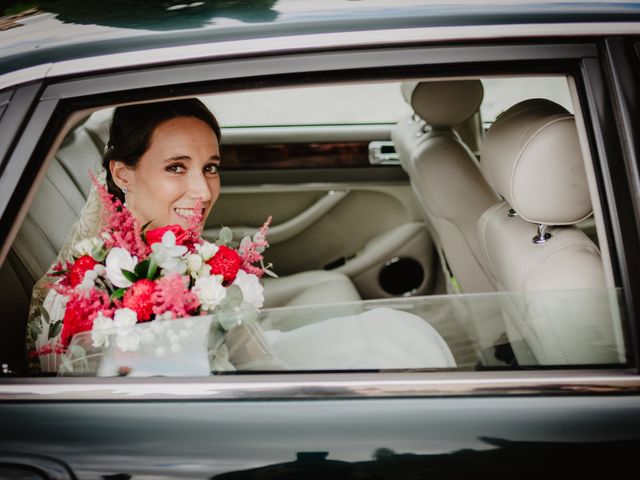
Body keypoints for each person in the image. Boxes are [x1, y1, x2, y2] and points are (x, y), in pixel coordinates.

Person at [27, 99, 455, 374]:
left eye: (210, 167)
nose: (203, 190)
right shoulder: (95, 295)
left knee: (396, 336)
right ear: (122, 174)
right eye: (177, 167)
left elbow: (258, 362)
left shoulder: (188, 258)